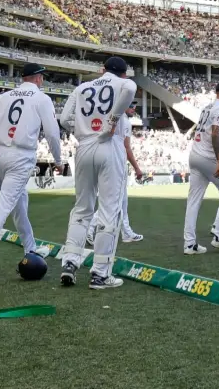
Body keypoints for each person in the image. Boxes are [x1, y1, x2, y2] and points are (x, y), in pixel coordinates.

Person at [0, 63, 62, 278]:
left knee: (20, 203)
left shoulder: (4, 97)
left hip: (1, 154)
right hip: (22, 155)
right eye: (42, 77)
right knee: (4, 206)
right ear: (37, 78)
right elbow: (53, 133)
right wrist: (58, 159)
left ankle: (31, 248)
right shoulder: (42, 99)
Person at [58, 57, 136, 290]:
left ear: (102, 70)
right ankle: (100, 274)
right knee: (109, 211)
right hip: (110, 144)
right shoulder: (124, 84)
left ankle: (70, 262)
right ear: (123, 74)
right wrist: (112, 120)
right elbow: (131, 88)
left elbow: (63, 119)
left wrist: (81, 131)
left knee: (82, 209)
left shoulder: (82, 88)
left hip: (84, 146)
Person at [183, 80, 219, 255]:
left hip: (195, 155)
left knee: (193, 201)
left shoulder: (207, 107)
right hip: (208, 156)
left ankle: (189, 244)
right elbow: (216, 133)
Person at [88, 102, 145, 244]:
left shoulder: (110, 115)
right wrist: (137, 168)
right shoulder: (124, 120)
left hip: (106, 159)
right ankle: (89, 227)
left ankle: (126, 232)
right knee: (113, 201)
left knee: (122, 200)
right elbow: (127, 147)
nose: (133, 108)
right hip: (115, 163)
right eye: (131, 105)